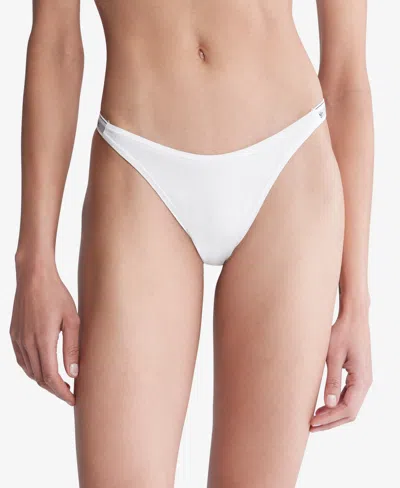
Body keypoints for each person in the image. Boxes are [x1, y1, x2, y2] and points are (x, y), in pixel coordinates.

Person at [10, 0, 373, 486]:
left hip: (288, 167)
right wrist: (34, 261)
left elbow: (347, 77)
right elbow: (55, 42)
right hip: (138, 164)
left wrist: (356, 301)